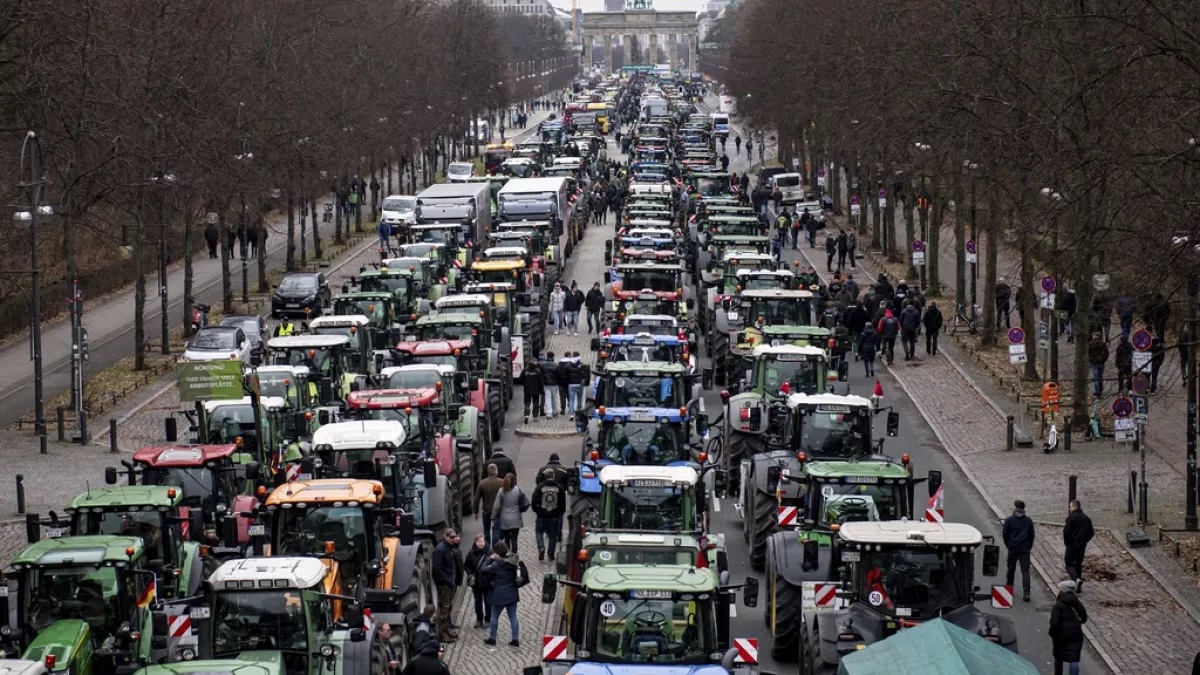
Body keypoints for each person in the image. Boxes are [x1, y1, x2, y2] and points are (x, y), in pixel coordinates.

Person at [481, 541, 521, 647]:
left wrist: (490, 558)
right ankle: (515, 639)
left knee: (494, 616)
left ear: (497, 553)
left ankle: (492, 638)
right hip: (512, 592)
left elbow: (483, 569)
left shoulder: (496, 565)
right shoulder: (512, 562)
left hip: (499, 594)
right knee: (513, 616)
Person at [1049, 580, 1088, 675]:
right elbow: (1083, 616)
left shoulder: (1058, 605)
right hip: (1076, 635)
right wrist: (1078, 623)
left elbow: (1054, 622)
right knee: (1074, 658)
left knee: (1058, 657)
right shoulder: (1076, 602)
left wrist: (1053, 634)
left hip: (1061, 636)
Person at [431, 529, 462, 643]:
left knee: (448, 608)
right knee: (443, 610)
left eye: (454, 537)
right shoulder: (440, 550)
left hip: (450, 583)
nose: (453, 539)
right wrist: (448, 581)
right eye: (451, 537)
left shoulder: (449, 548)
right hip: (444, 584)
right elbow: (437, 569)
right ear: (445, 536)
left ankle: (446, 630)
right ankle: (442, 634)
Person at [1002, 499, 1035, 602]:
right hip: (1024, 548)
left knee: (1011, 568)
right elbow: (1032, 535)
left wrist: (1009, 545)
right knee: (1025, 571)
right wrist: (1028, 546)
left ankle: (1009, 588)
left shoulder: (1009, 520)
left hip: (1013, 548)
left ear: (1015, 508)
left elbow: (1005, 534)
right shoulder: (1028, 520)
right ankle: (1026, 592)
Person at [532, 469, 566, 561]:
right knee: (552, 536)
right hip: (554, 515)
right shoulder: (560, 488)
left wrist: (537, 510)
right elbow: (562, 503)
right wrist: (559, 513)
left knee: (539, 532)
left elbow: (534, 500)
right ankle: (551, 554)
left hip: (542, 515)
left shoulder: (540, 487)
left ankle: (541, 547)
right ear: (553, 476)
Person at [1063, 499, 1095, 593]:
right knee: (1078, 564)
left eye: (1070, 506)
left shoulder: (1071, 518)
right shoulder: (1086, 518)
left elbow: (1066, 532)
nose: (1069, 508)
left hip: (1072, 545)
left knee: (1068, 563)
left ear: (1073, 507)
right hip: (1082, 546)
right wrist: (1084, 541)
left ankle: (1076, 579)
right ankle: (1078, 589)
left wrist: (1067, 543)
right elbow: (1091, 532)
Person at [491, 473, 527, 553]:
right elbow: (522, 501)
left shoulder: (501, 491)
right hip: (516, 518)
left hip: (505, 518)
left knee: (507, 538)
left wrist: (493, 517)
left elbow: (496, 506)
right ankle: (514, 556)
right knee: (514, 539)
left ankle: (507, 554)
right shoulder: (518, 489)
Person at [464, 533, 492, 628]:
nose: (481, 543)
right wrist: (470, 573)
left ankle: (488, 620)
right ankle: (479, 619)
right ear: (475, 542)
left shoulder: (490, 552)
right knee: (478, 601)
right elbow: (466, 565)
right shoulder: (471, 552)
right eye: (479, 541)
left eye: (482, 541)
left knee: (488, 602)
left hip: (487, 582)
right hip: (476, 582)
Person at [475, 463, 504, 544]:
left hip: (486, 510)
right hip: (498, 510)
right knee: (496, 530)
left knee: (486, 529)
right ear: (496, 471)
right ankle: (495, 547)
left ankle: (487, 546)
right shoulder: (502, 482)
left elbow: (477, 498)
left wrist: (476, 511)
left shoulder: (482, 483)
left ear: (488, 471)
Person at [521, 359, 544, 425]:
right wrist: (541, 390)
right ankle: (535, 416)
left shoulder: (525, 370)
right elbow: (541, 382)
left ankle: (526, 415)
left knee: (527, 403)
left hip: (527, 390)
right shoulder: (538, 371)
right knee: (536, 403)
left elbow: (521, 378)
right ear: (535, 363)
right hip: (536, 390)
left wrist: (525, 385)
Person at [541, 352, 560, 418]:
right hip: (555, 384)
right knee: (554, 398)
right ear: (553, 357)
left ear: (547, 356)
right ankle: (555, 411)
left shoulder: (543, 365)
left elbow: (541, 375)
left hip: (546, 384)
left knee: (547, 398)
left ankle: (549, 413)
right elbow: (559, 375)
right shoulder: (556, 365)